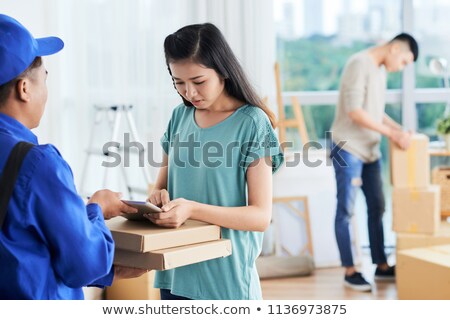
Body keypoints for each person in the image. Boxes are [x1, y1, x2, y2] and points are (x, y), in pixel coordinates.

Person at [0, 14, 146, 300]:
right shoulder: (37, 163)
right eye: (44, 78)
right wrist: (96, 209)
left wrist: (110, 273)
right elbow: (85, 263)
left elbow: (18, 242)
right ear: (24, 89)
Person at [145, 23, 284, 300]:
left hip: (225, 281)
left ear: (222, 70)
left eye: (198, 82)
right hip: (174, 272)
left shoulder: (252, 123)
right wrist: (158, 198)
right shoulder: (179, 117)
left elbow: (260, 217)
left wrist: (192, 209)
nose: (189, 93)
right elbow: (160, 187)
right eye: (178, 82)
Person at [330, 33, 419, 292]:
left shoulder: (379, 70)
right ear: (394, 49)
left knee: (378, 206)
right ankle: (350, 271)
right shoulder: (359, 63)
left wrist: (400, 129)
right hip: (347, 147)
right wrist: (392, 135)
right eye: (404, 61)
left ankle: (381, 265)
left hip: (369, 150)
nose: (402, 67)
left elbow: (374, 111)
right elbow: (354, 111)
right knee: (346, 210)